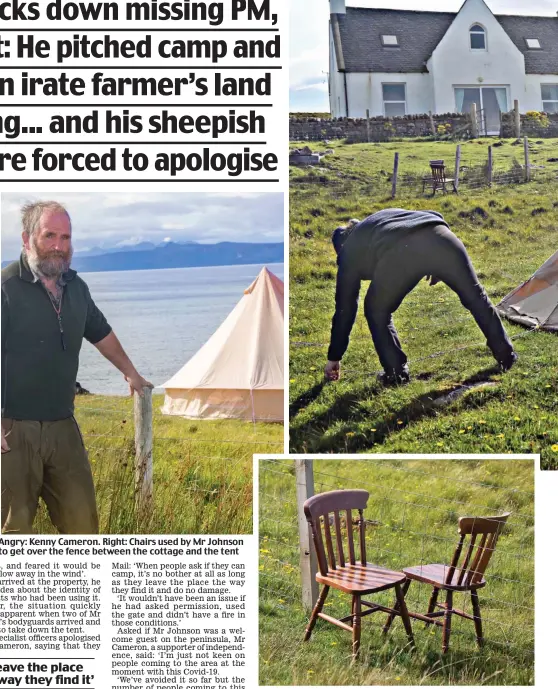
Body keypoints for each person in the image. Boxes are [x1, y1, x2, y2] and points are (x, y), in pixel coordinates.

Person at [1, 201, 153, 534]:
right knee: (15, 531)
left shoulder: (76, 287)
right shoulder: (6, 288)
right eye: (50, 235)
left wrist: (130, 372)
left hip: (62, 426)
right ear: (27, 239)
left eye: (66, 237)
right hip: (12, 431)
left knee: (83, 524)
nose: (59, 245)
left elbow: (100, 331)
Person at [325, 209, 517, 384]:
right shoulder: (379, 219)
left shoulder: (349, 249)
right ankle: (506, 356)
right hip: (443, 236)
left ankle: (396, 374)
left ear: (341, 246)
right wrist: (435, 262)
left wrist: (334, 357)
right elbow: (432, 215)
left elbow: (345, 309)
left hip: (405, 249)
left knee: (377, 310)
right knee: (476, 297)